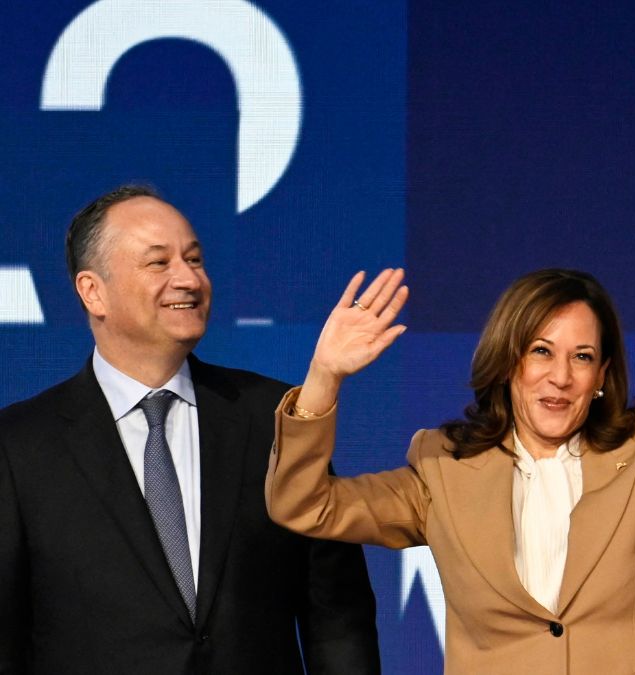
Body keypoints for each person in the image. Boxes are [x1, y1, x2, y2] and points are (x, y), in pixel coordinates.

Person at [263, 207, 635, 672]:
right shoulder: (441, 470)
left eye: (582, 357)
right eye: (541, 351)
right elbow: (303, 504)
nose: (561, 377)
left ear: (601, 377)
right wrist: (324, 377)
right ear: (507, 360)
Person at [0, 186, 380, 675]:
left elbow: (337, 618)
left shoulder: (277, 418)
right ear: (93, 291)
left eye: (195, 259)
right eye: (159, 263)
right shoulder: (19, 446)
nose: (188, 279)